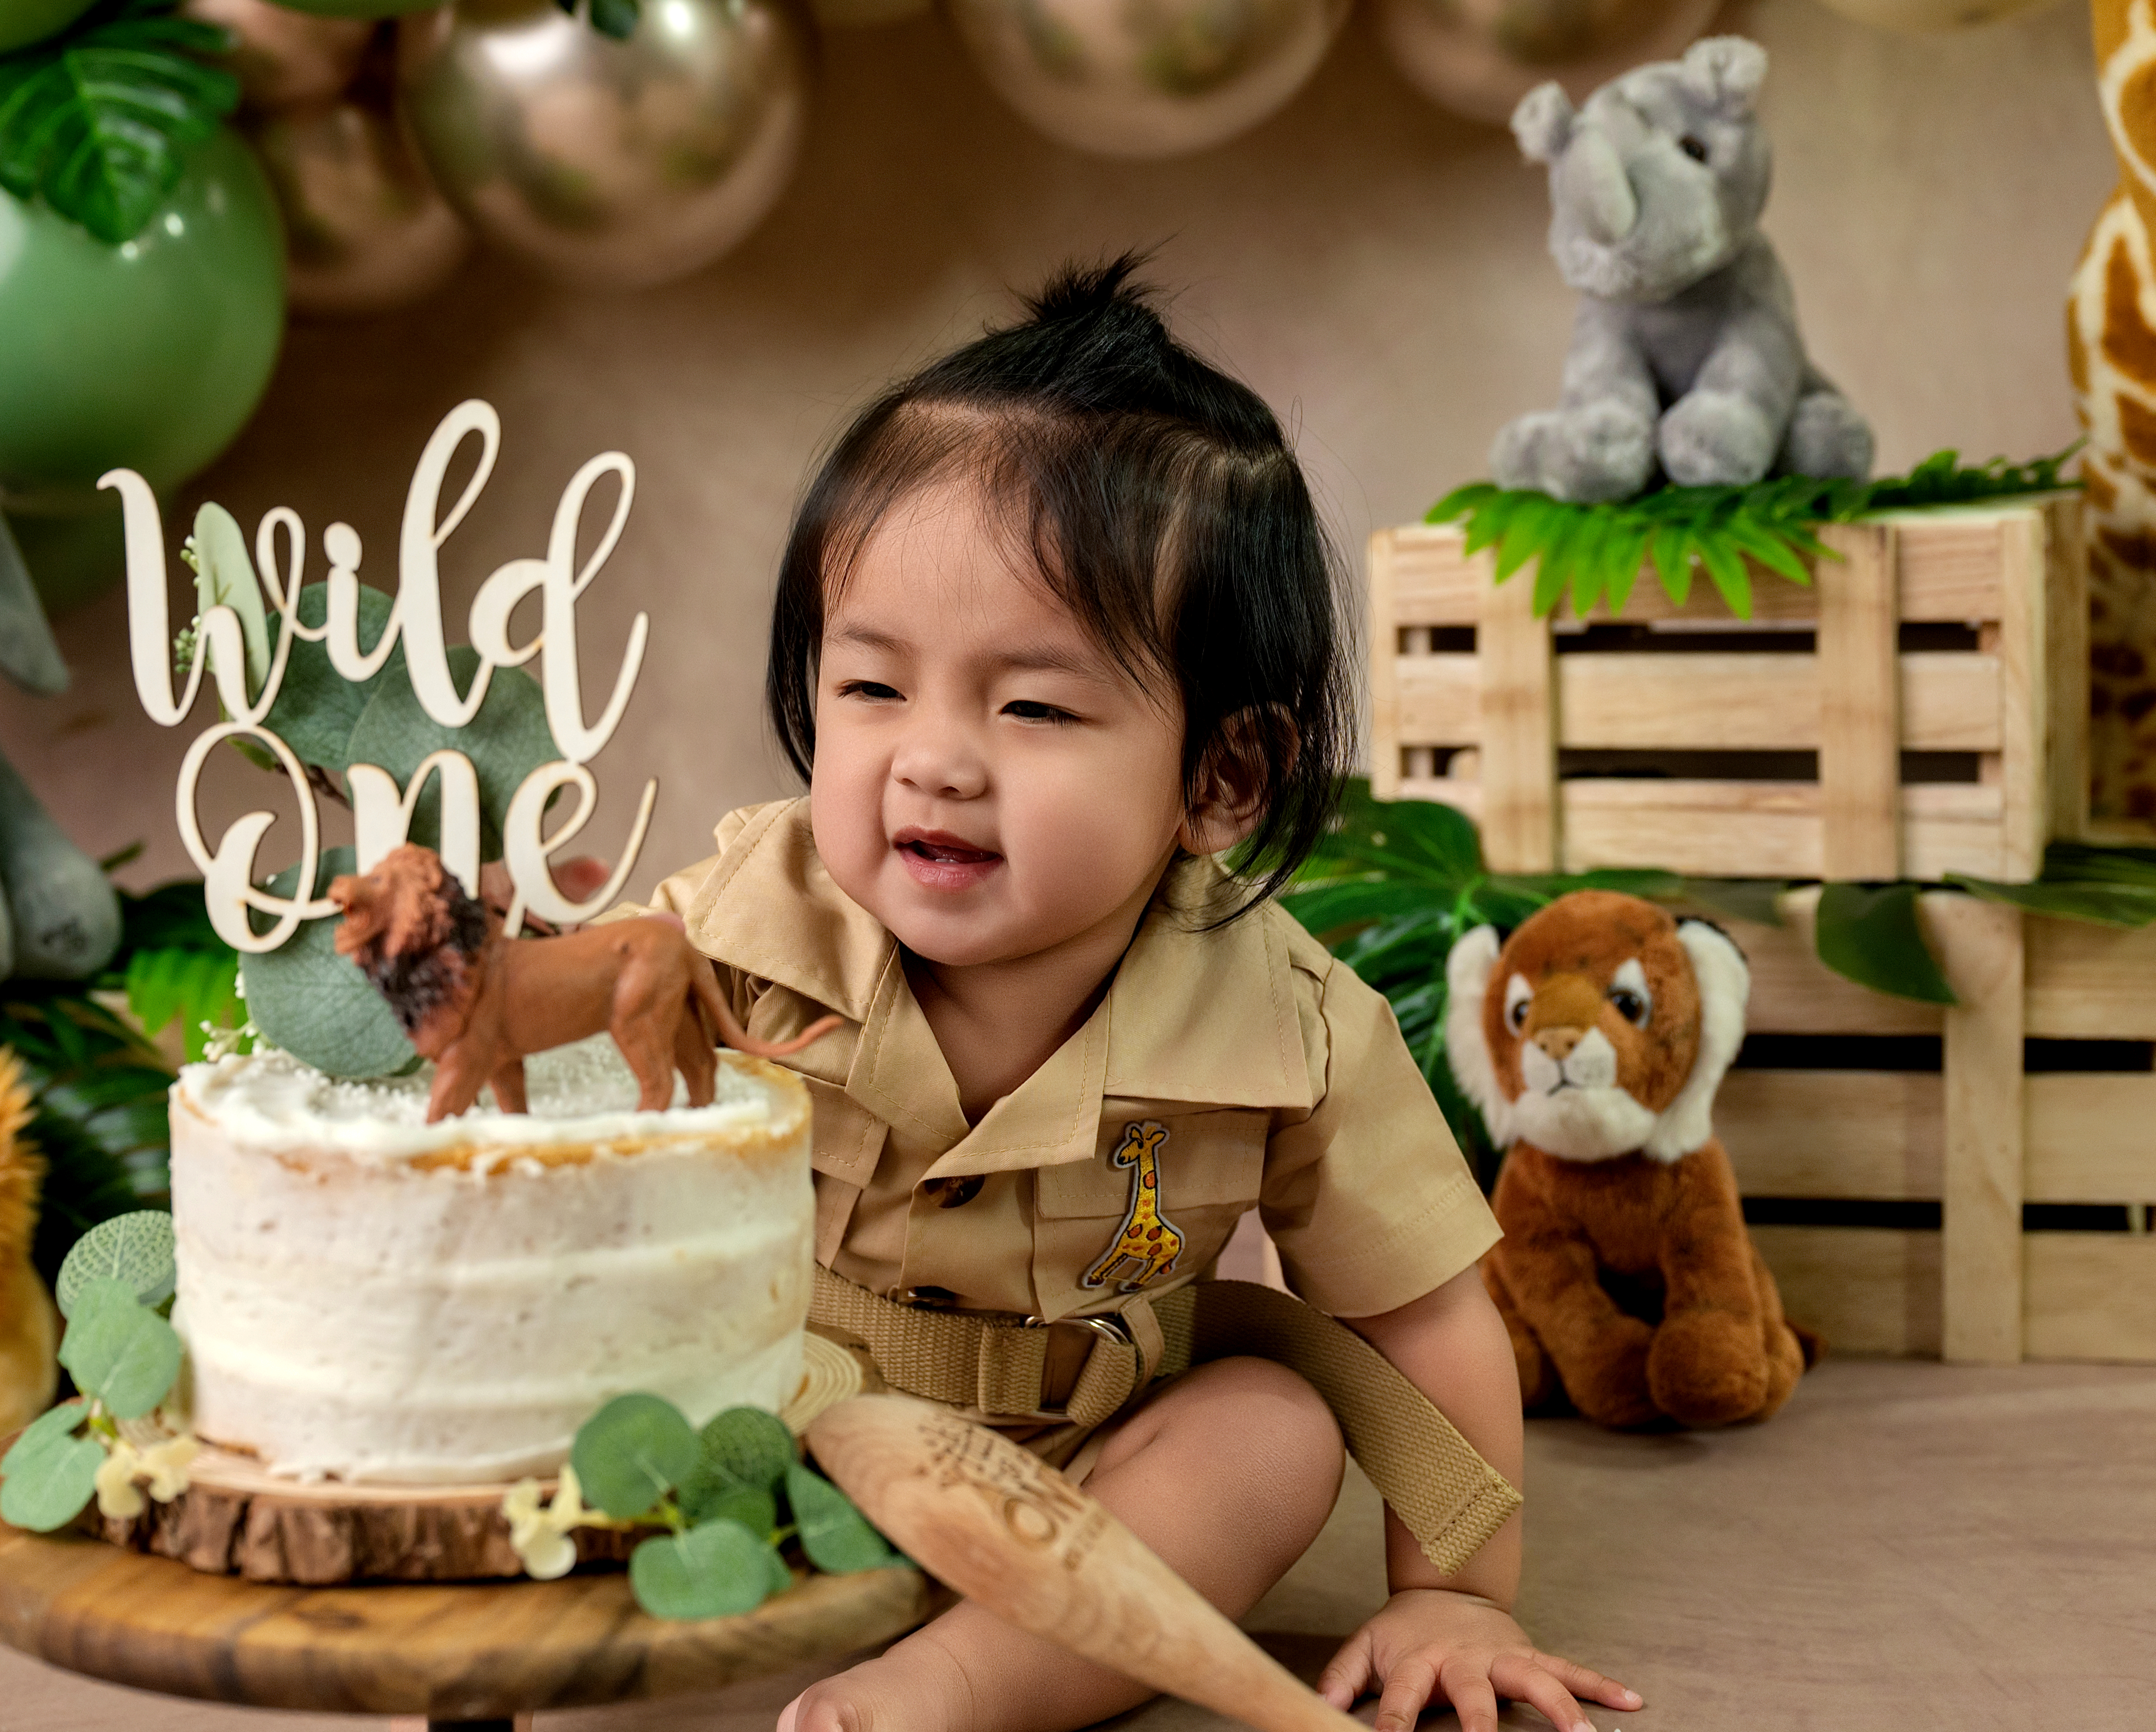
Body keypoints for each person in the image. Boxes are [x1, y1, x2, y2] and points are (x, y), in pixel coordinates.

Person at [630, 257, 1640, 1732]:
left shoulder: (1289, 1030)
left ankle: (956, 1684)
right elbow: (566, 1092)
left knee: (1276, 1435)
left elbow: (1425, 1319)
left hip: (1081, 1476)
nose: (934, 758)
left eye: (1032, 706)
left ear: (1222, 777)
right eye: (872, 688)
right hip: (760, 1430)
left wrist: (1456, 1594)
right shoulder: (737, 926)